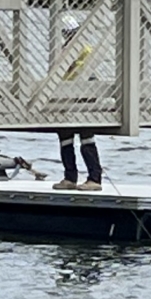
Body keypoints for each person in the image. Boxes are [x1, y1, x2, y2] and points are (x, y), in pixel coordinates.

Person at [52, 12, 104, 189]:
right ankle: (70, 177)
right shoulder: (64, 50)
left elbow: (81, 71)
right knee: (65, 136)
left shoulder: (84, 50)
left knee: (86, 135)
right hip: (67, 95)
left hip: (83, 94)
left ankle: (94, 178)